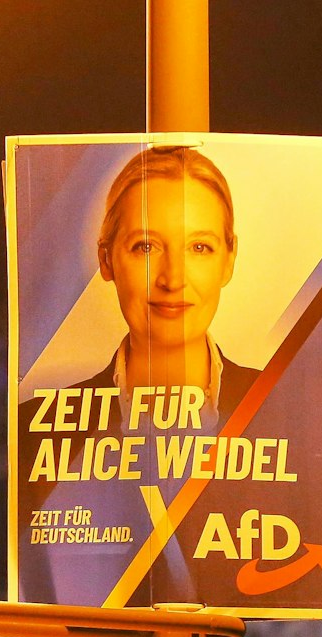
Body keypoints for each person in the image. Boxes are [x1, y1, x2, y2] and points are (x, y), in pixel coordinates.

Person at [16, 145, 257, 605]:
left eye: (200, 247)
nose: (173, 277)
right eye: (146, 247)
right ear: (106, 260)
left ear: (229, 259)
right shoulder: (38, 430)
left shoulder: (282, 410)